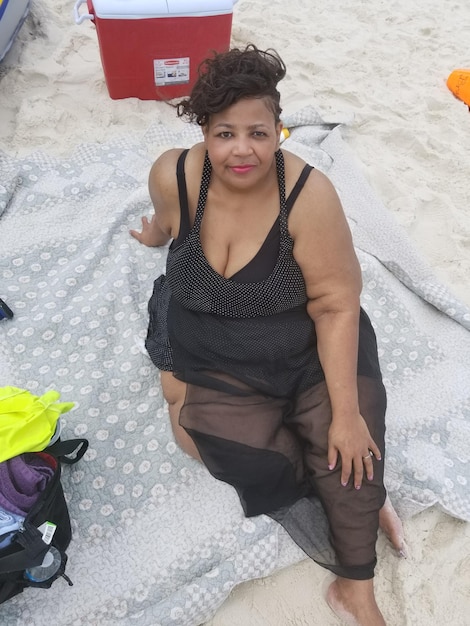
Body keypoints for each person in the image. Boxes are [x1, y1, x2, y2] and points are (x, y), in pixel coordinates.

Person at [130, 44, 405, 626]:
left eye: (258, 133)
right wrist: (154, 237)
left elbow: (335, 307)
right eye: (225, 133)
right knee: (214, 444)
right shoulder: (174, 173)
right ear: (202, 130)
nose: (241, 150)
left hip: (302, 350)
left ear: (279, 130)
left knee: (350, 446)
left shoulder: (309, 195)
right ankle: (349, 501)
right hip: (210, 348)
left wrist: (347, 414)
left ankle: (354, 582)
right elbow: (163, 219)